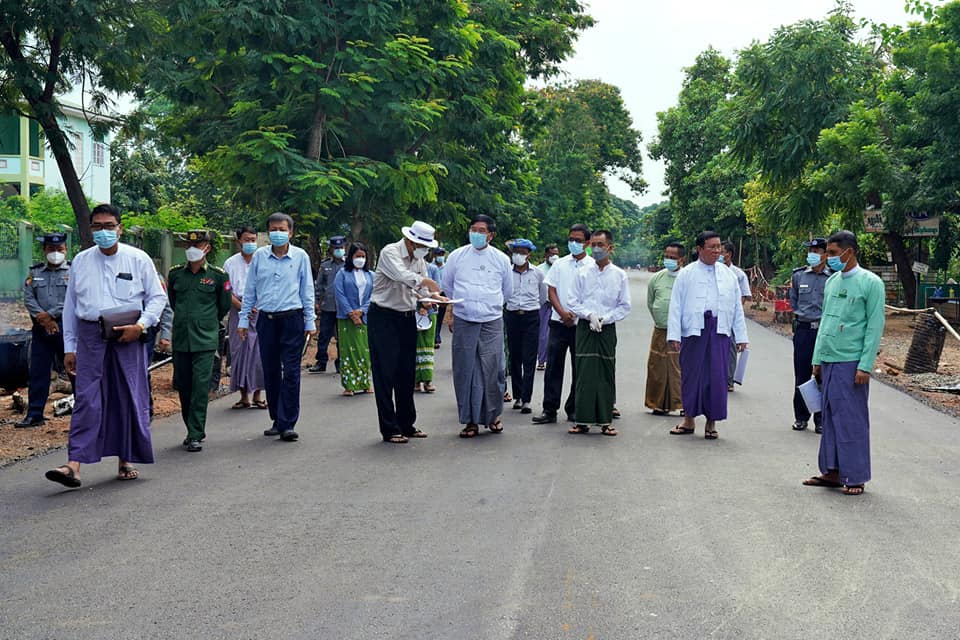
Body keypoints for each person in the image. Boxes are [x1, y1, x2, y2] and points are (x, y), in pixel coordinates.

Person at [44, 204, 168, 488]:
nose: (104, 232)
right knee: (87, 397)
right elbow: (72, 307)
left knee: (128, 395)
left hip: (128, 335)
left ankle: (126, 458)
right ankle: (73, 464)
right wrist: (69, 347)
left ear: (120, 228)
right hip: (90, 336)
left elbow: (157, 298)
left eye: (109, 226)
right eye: (97, 226)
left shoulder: (138, 259)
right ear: (90, 229)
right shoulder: (81, 261)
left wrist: (141, 326)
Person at [803, 230, 884, 496]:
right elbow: (825, 320)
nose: (829, 258)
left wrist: (865, 366)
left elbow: (874, 327)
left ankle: (856, 475)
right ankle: (832, 472)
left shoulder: (870, 282)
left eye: (834, 253)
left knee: (851, 420)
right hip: (828, 358)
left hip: (851, 362)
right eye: (828, 253)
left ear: (850, 252)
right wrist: (816, 360)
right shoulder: (832, 281)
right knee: (830, 418)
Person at [238, 213, 316, 442]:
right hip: (266, 320)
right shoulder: (260, 257)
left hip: (292, 319)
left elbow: (307, 290)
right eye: (273, 229)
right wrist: (244, 320)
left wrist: (309, 321)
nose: (278, 233)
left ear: (291, 232)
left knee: (291, 371)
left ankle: (289, 422)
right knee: (270, 370)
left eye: (282, 229)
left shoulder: (300, 256)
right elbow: (250, 290)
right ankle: (277, 419)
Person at [667, 230, 748, 440]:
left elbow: (737, 308)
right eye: (712, 247)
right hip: (693, 331)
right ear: (699, 249)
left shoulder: (728, 274)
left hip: (719, 331)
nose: (717, 251)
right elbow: (675, 305)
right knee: (691, 376)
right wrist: (674, 335)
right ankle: (688, 420)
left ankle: (711, 423)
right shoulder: (686, 273)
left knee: (717, 378)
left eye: (719, 246)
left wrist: (741, 336)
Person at [367, 220, 442, 443]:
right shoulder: (390, 252)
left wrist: (432, 298)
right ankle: (390, 428)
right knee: (385, 373)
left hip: (407, 317)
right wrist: (426, 283)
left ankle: (407, 423)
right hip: (384, 316)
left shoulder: (419, 260)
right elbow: (404, 277)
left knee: (406, 372)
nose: (424, 251)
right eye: (421, 245)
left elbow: (422, 290)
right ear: (409, 240)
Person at [443, 214, 513, 437]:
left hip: (491, 319)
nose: (476, 233)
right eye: (473, 229)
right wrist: (464, 305)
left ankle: (493, 417)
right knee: (466, 370)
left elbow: (507, 291)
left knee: (493, 369)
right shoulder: (457, 256)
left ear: (491, 235)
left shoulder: (501, 259)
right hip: (465, 318)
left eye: (481, 231)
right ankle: (470, 421)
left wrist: (486, 303)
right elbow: (448, 285)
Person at [167, 230, 233, 452]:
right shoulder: (176, 274)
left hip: (205, 339)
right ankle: (191, 427)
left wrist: (206, 324)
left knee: (200, 386)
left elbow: (223, 306)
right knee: (184, 385)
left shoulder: (218, 276)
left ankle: (195, 433)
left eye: (199, 244)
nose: (192, 249)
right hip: (182, 339)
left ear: (208, 248)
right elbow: (173, 302)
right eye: (189, 244)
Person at [567, 230, 631, 436]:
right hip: (586, 326)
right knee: (584, 371)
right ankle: (582, 420)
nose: (596, 249)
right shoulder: (583, 273)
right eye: (593, 244)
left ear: (610, 247)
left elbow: (624, 305)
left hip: (607, 327)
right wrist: (589, 315)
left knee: (605, 371)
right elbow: (572, 301)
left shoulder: (619, 275)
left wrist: (606, 318)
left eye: (600, 245)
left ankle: (605, 420)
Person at [532, 224, 595, 424]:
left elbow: (592, 296)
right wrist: (562, 312)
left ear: (587, 243)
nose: (573, 243)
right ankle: (549, 409)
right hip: (558, 322)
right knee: (553, 367)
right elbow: (552, 290)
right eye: (571, 239)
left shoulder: (593, 266)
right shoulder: (560, 264)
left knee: (580, 368)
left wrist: (575, 315)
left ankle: (574, 408)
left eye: (578, 240)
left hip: (581, 324)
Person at [18, 233, 74, 428]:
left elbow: (72, 298)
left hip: (67, 328)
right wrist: (43, 318)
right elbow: (28, 297)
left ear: (66, 250)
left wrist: (51, 315)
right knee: (38, 372)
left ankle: (84, 415)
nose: (56, 253)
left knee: (74, 370)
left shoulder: (73, 271)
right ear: (45, 251)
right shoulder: (35, 272)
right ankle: (34, 415)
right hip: (41, 329)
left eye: (60, 249)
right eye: (51, 249)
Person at [789, 237, 831, 433]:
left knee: (822, 375)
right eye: (810, 250)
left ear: (825, 254)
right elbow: (794, 302)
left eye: (816, 250)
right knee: (802, 375)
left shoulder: (833, 277)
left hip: (824, 331)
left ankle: (821, 419)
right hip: (804, 330)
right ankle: (801, 417)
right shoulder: (798, 276)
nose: (812, 254)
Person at [223, 227, 265, 410]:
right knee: (239, 351)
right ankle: (243, 396)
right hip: (237, 309)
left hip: (260, 310)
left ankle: (258, 394)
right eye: (246, 240)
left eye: (253, 239)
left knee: (259, 353)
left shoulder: (263, 261)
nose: (250, 243)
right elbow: (226, 291)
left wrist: (256, 306)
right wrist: (242, 307)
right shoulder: (230, 263)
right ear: (238, 241)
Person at [644, 241, 685, 416]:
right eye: (666, 256)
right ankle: (657, 403)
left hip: (682, 332)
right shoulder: (656, 278)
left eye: (673, 258)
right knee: (657, 367)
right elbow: (650, 302)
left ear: (681, 260)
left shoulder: (687, 277)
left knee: (680, 368)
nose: (668, 260)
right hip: (660, 329)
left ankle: (684, 404)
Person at [504, 238, 545, 414]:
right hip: (512, 315)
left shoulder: (537, 273)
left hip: (531, 317)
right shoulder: (506, 272)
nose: (518, 255)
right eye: (516, 251)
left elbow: (542, 297)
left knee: (529, 358)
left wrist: (531, 309)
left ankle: (527, 399)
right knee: (515, 356)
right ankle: (518, 396)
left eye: (522, 252)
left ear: (529, 254)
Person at [333, 242, 375, 396]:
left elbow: (373, 296)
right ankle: (349, 385)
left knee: (364, 351)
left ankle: (365, 382)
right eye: (358, 256)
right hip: (346, 318)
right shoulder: (342, 274)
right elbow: (339, 294)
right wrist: (351, 313)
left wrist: (361, 311)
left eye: (363, 256)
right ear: (351, 257)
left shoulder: (371, 275)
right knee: (349, 351)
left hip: (365, 318)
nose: (361, 259)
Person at [309, 235, 346, 373]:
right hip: (327, 306)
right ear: (331, 249)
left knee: (342, 336)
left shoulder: (348, 265)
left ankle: (341, 362)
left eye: (341, 248)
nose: (339, 250)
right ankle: (321, 362)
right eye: (336, 248)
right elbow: (319, 285)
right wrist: (316, 301)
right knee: (324, 335)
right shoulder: (325, 266)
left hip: (343, 307)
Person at [721, 240, 752, 392]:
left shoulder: (738, 274)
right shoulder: (713, 270)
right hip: (715, 317)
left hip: (731, 317)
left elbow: (744, 296)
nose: (719, 255)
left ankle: (728, 380)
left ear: (729, 254)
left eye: (722, 252)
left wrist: (733, 313)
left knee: (731, 348)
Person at [415, 250, 441, 392]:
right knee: (415, 347)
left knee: (428, 347)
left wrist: (430, 301)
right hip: (413, 311)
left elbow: (437, 289)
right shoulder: (407, 269)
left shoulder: (433, 269)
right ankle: (416, 381)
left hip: (430, 311)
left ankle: (428, 380)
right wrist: (419, 303)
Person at [536, 244, 559, 370]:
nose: (554, 256)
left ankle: (553, 360)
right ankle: (541, 359)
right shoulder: (539, 270)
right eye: (551, 254)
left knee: (556, 334)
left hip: (559, 306)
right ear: (546, 255)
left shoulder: (561, 267)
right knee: (543, 334)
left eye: (556, 253)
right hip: (544, 305)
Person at [432, 247, 447, 349]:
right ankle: (435, 338)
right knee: (433, 316)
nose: (441, 257)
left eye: (442, 254)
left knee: (440, 317)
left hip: (443, 294)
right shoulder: (430, 267)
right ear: (434, 255)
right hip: (433, 294)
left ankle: (437, 336)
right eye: (439, 254)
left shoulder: (447, 267)